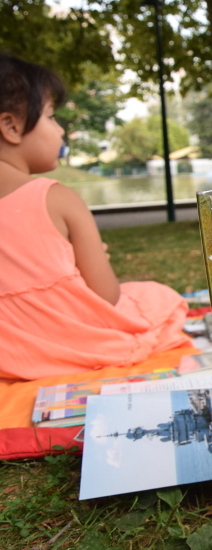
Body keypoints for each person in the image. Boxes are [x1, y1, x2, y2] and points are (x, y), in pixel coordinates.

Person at [0, 53, 189, 381]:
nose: (59, 130)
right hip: (80, 349)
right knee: (160, 298)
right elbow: (107, 297)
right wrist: (92, 261)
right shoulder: (56, 199)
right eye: (51, 117)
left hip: (10, 359)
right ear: (11, 126)